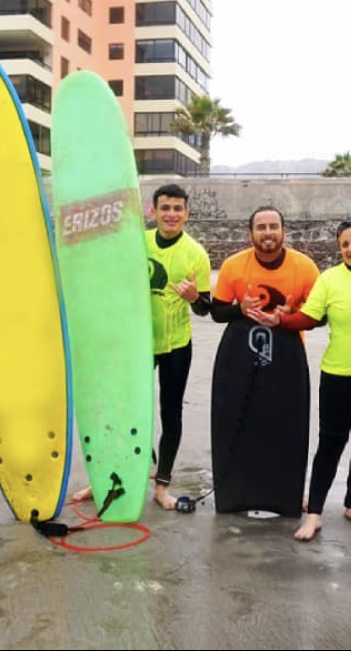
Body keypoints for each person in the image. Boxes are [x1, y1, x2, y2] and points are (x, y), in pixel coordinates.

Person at [248, 219, 351, 541]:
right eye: (345, 244)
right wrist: (282, 320)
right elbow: (310, 316)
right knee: (331, 443)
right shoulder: (330, 279)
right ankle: (314, 513)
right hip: (339, 376)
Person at [71, 184, 212, 509]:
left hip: (176, 345)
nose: (172, 214)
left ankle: (161, 487)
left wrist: (194, 299)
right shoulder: (138, 244)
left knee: (170, 412)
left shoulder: (197, 255)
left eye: (178, 208)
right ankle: (108, 476)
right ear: (153, 211)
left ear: (187, 214)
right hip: (135, 345)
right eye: (165, 208)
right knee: (120, 411)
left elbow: (206, 307)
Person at [209, 206, 320, 516]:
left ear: (284, 231)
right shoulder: (233, 266)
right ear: (251, 233)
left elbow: (318, 316)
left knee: (283, 427)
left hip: (287, 358)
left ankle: (285, 495)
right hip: (240, 357)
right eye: (261, 227)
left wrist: (287, 318)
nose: (268, 232)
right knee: (240, 423)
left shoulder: (304, 267)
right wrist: (240, 310)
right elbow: (217, 312)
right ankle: (236, 492)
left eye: (274, 226)